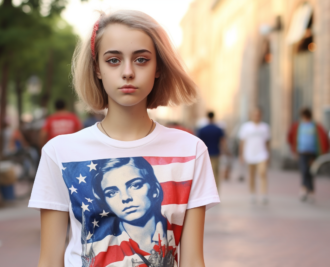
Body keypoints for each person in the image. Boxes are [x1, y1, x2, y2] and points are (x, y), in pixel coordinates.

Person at [28, 10, 220, 267]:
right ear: (97, 68)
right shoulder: (60, 152)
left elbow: (194, 260)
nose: (128, 72)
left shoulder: (191, 150)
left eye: (141, 60)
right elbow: (50, 260)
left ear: (158, 68)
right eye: (113, 60)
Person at [287, 108, 329, 202]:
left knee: (310, 171)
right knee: (304, 170)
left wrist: (322, 152)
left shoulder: (315, 126)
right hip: (302, 152)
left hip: (312, 153)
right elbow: (290, 137)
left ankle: (309, 190)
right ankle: (305, 189)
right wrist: (294, 150)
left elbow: (323, 138)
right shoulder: (298, 126)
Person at [238, 108, 270, 204]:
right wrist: (241, 155)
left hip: (262, 154)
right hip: (250, 154)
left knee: (262, 173)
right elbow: (242, 142)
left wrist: (269, 154)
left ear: (261, 115)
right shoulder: (246, 127)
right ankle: (252, 193)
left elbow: (268, 142)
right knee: (251, 175)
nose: (256, 116)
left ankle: (264, 194)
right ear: (251, 116)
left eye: (258, 114)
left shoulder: (265, 127)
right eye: (254, 114)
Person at [197, 111, 225, 192]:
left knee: (206, 173)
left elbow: (199, 142)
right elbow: (222, 142)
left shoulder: (202, 130)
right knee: (215, 174)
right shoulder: (218, 129)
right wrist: (224, 152)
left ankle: (208, 191)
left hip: (205, 154)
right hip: (216, 153)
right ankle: (216, 191)